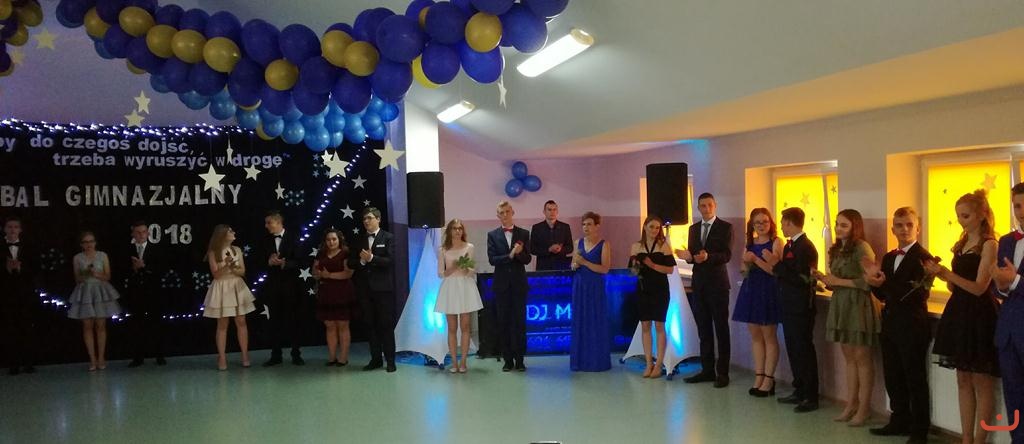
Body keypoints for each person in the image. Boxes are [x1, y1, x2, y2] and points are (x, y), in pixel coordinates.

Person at [926, 189, 1000, 444]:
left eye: (965, 216)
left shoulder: (989, 245)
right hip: (958, 312)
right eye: (958, 216)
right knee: (962, 379)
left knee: (982, 381)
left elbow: (979, 287)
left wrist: (948, 275)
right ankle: (966, 437)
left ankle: (980, 439)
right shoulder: (961, 244)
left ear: (981, 215)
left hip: (980, 315)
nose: (961, 221)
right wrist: (941, 275)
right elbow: (955, 285)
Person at [863, 207, 933, 444]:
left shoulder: (925, 258)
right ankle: (899, 420)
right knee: (893, 375)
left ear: (918, 228)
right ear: (892, 229)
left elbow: (915, 294)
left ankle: (919, 430)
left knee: (915, 378)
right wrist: (873, 283)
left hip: (913, 325)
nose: (904, 229)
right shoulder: (889, 257)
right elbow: (884, 295)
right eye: (900, 225)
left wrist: (883, 285)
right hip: (891, 323)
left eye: (909, 225)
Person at [814, 209, 878, 427]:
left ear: (854, 227)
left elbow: (869, 281)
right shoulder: (837, 249)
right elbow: (836, 281)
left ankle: (864, 407)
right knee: (849, 358)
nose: (838, 228)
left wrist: (838, 282)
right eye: (837, 224)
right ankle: (851, 403)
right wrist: (825, 279)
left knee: (862, 358)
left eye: (844, 225)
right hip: (841, 303)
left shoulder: (862, 248)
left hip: (858, 305)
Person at [765, 207, 820, 413]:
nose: (780, 226)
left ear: (789, 222)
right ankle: (799, 389)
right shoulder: (791, 245)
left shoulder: (806, 247)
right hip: (788, 305)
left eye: (782, 222)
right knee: (793, 349)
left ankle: (811, 395)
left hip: (801, 307)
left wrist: (776, 265)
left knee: (804, 350)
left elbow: (801, 279)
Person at [677, 192, 734, 387]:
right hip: (699, 285)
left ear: (715, 205)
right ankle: (707, 370)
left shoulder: (725, 227)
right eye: (703, 205)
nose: (707, 208)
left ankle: (723, 373)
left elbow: (727, 255)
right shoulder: (693, 229)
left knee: (721, 329)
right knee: (703, 329)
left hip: (718, 285)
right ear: (698, 208)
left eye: (710, 205)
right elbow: (693, 256)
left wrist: (708, 257)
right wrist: (688, 257)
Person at [732, 208, 783, 397]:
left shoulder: (776, 242)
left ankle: (769, 378)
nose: (761, 226)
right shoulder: (750, 243)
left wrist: (755, 260)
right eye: (757, 223)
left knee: (769, 335)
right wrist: (746, 263)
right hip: (751, 289)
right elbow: (743, 270)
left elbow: (775, 270)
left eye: (765, 221)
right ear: (752, 225)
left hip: (768, 290)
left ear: (771, 223)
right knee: (755, 336)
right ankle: (759, 375)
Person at [992, 182, 1024, 444]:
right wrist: (1002, 286)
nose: (1021, 211)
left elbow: (1013, 280)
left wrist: (1015, 281)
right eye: (1017, 206)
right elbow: (998, 285)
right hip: (1009, 332)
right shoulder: (1006, 241)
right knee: (1013, 396)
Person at [350, 207, 397, 372]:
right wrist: (362, 262)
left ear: (378, 219)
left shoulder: (389, 237)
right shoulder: (359, 239)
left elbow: (391, 261)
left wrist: (372, 258)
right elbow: (350, 262)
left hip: (383, 290)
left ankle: (390, 361)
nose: (366, 221)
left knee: (386, 325)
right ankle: (375, 359)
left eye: (369, 218)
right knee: (370, 324)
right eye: (364, 219)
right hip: (365, 290)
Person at [202, 225, 255, 370]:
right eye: (230, 231)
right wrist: (226, 265)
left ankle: (245, 355)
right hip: (222, 288)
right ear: (222, 235)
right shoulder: (213, 252)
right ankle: (222, 357)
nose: (234, 233)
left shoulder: (237, 250)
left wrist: (233, 267)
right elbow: (216, 275)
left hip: (237, 286)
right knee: (223, 324)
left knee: (241, 321)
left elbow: (242, 271)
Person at [487, 201, 532, 372]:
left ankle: (520, 360)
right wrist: (511, 255)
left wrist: (519, 254)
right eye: (501, 212)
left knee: (519, 323)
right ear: (497, 215)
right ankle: (507, 360)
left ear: (513, 212)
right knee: (503, 323)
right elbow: (492, 260)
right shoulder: (492, 235)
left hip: (519, 285)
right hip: (501, 286)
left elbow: (528, 259)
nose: (505, 215)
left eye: (507, 211)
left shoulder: (524, 233)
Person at [67, 231, 122, 371]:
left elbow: (108, 276)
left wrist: (96, 274)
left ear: (95, 242)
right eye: (85, 242)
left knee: (101, 326)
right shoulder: (77, 258)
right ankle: (92, 359)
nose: (89, 244)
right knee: (87, 326)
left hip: (100, 292)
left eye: (91, 241)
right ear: (81, 244)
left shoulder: (102, 255)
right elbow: (77, 279)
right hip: (85, 292)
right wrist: (86, 273)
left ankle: (101, 357)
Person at [434, 219, 483, 373]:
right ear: (449, 231)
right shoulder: (443, 249)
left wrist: (466, 269)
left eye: (460, 228)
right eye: (454, 228)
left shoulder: (469, 247)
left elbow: (471, 270)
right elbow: (440, 274)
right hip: (450, 288)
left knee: (465, 326)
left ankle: (463, 362)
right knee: (452, 327)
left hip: (465, 287)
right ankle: (454, 362)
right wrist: (453, 267)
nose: (457, 231)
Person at [630, 215, 676, 378]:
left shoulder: (664, 246)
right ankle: (649, 363)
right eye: (651, 227)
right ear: (645, 227)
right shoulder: (636, 246)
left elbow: (670, 270)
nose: (655, 230)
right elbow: (633, 272)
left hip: (660, 289)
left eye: (657, 228)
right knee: (645, 325)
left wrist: (653, 265)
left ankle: (659, 364)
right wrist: (635, 266)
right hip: (643, 289)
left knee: (659, 325)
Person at [261, 211, 306, 367]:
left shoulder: (293, 238)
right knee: (274, 321)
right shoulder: (265, 240)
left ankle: (296, 354)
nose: (266, 226)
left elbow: (301, 260)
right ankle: (276, 355)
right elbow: (257, 259)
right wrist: (269, 261)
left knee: (293, 320)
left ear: (278, 222)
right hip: (273, 287)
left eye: (269, 223)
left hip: (291, 286)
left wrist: (285, 264)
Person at [569, 212, 612, 372]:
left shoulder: (604, 244)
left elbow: (605, 268)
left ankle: (596, 361)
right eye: (584, 224)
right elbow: (573, 264)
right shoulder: (578, 242)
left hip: (595, 286)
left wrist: (585, 262)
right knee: (580, 320)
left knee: (595, 321)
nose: (586, 227)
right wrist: (575, 265)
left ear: (597, 226)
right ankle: (579, 361)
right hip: (580, 286)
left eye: (589, 224)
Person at [122, 221, 168, 367]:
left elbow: (162, 269)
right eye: (138, 232)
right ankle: (138, 357)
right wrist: (134, 268)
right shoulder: (127, 250)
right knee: (137, 324)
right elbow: (121, 269)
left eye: (143, 232)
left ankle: (159, 355)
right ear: (133, 234)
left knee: (156, 323)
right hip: (136, 293)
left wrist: (144, 266)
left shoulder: (157, 250)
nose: (141, 235)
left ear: (148, 233)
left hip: (153, 292)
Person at [313, 229, 356, 367]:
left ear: (339, 240)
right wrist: (318, 274)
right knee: (330, 325)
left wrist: (329, 275)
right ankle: (332, 357)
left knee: (343, 325)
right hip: (326, 293)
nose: (331, 242)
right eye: (328, 240)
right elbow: (315, 272)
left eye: (334, 239)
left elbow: (348, 273)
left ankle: (343, 358)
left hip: (343, 293)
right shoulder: (321, 254)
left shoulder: (346, 253)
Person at [1, 217, 37, 375]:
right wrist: (6, 268)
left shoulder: (29, 246)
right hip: (5, 295)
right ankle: (13, 364)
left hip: (25, 294)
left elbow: (35, 269)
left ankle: (29, 363)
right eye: (9, 227)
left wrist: (21, 268)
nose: (12, 230)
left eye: (16, 227)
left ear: (20, 230)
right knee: (9, 329)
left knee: (27, 328)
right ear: (4, 229)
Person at [530, 200, 574, 271]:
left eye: (554, 209)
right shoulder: (537, 228)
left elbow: (570, 248)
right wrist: (549, 249)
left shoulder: (565, 227)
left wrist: (560, 249)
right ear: (544, 212)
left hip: (561, 267)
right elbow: (532, 249)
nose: (552, 212)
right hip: (543, 267)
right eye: (549, 210)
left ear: (557, 211)